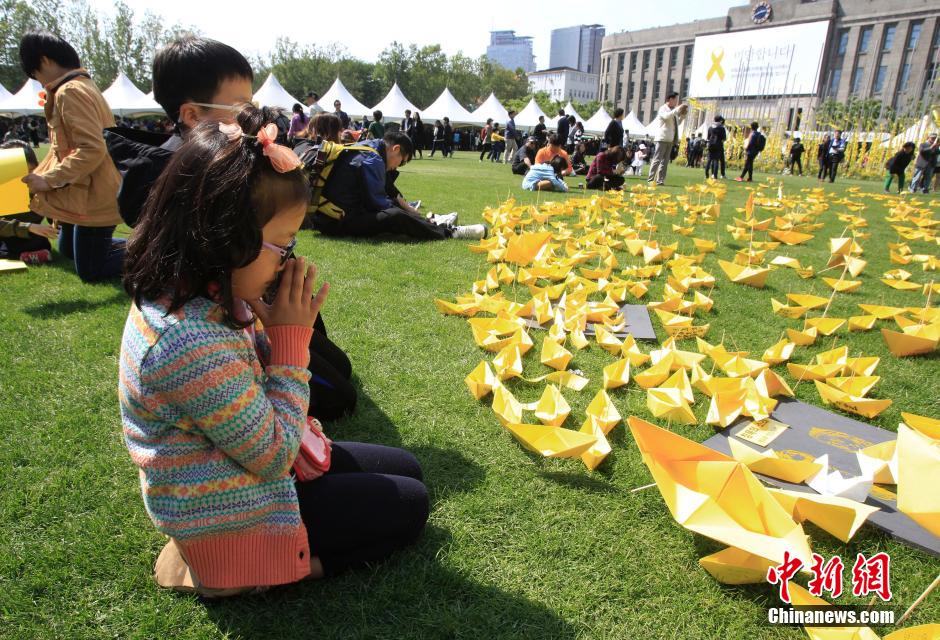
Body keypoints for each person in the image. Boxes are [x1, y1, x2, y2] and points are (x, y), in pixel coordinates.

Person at [120, 107, 429, 596]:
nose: (289, 259)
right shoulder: (185, 341)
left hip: (243, 473)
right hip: (230, 510)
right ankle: (245, 571)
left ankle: (236, 559)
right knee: (409, 505)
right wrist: (289, 344)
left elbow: (255, 402)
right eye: (282, 244)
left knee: (406, 470)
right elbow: (273, 453)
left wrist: (269, 327)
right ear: (224, 235)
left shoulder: (205, 294)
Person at [106, 35, 255, 228]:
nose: (251, 116)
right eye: (240, 108)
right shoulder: (175, 180)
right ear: (192, 115)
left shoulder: (225, 157)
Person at [18, 31, 123, 283]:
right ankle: (144, 243)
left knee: (91, 270)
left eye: (35, 74)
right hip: (85, 190)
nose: (38, 81)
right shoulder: (80, 85)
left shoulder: (69, 91)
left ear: (44, 61)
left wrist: (49, 179)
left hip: (96, 194)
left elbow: (91, 148)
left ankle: (159, 249)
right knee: (67, 250)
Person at [304, 131, 485, 240]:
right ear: (396, 149)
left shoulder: (367, 147)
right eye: (402, 162)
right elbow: (379, 203)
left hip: (327, 218)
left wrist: (407, 207)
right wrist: (407, 210)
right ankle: (449, 232)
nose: (398, 166)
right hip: (339, 222)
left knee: (397, 207)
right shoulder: (373, 159)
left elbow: (383, 190)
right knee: (395, 215)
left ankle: (433, 221)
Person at [0, 141, 56, 264]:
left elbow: (55, 219)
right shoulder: (3, 187)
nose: (26, 177)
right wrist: (29, 227)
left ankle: (28, 255)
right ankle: (24, 256)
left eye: (31, 170)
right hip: (6, 237)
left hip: (33, 239)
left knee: (38, 242)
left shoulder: (40, 185)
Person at [647, 92, 688, 186]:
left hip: (670, 139)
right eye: (675, 100)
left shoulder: (672, 110)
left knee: (665, 162)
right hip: (662, 138)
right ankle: (651, 179)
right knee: (657, 159)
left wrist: (683, 115)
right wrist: (678, 109)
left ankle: (660, 180)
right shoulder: (663, 109)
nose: (676, 102)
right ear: (670, 99)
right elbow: (666, 117)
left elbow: (677, 123)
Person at [705, 115, 726, 180]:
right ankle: (715, 175)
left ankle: (706, 175)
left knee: (709, 160)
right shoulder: (721, 128)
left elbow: (708, 137)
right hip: (718, 145)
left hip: (710, 145)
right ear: (720, 120)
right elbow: (724, 138)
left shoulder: (710, 127)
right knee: (716, 160)